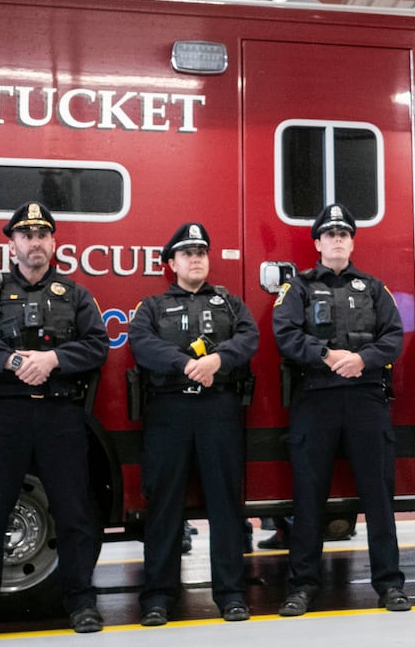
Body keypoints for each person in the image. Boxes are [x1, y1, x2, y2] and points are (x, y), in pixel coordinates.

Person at [0, 203, 109, 644]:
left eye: (42, 234)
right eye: (26, 235)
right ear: (11, 243)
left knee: (75, 514)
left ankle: (81, 603)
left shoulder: (75, 295)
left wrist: (54, 358)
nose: (34, 242)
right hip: (5, 415)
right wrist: (14, 360)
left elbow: (98, 345)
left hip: (60, 415)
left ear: (53, 243)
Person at [271, 203, 409, 616]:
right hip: (316, 399)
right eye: (329, 234)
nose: (337, 240)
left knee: (378, 497)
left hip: (365, 397)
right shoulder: (297, 288)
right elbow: (285, 334)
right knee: (308, 498)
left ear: (352, 242)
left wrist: (362, 360)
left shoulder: (373, 288)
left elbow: (394, 336)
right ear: (317, 242)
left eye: (344, 234)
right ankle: (301, 586)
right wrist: (329, 356)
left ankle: (390, 586)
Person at [129, 221, 258, 626]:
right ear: (171, 262)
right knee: (164, 507)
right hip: (169, 415)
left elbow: (249, 337)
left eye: (201, 252)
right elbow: (141, 342)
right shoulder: (151, 306)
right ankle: (157, 597)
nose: (196, 258)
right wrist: (185, 364)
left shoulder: (230, 304)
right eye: (187, 253)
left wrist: (218, 360)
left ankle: (232, 594)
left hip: (218, 411)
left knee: (225, 506)